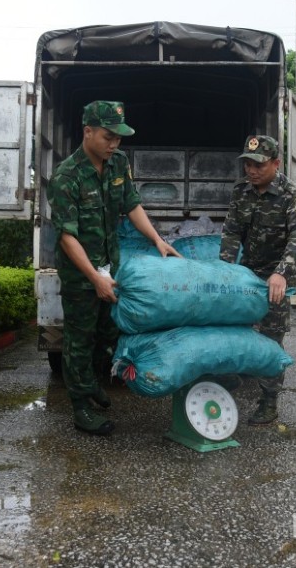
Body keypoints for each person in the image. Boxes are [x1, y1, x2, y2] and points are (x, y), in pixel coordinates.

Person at [48, 100, 180, 435]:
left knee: (108, 332)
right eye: (108, 137)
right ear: (87, 131)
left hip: (111, 265)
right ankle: (80, 405)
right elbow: (66, 236)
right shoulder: (67, 176)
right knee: (79, 338)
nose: (114, 144)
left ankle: (91, 382)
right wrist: (94, 278)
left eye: (119, 138)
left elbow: (131, 204)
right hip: (81, 273)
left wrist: (157, 239)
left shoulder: (118, 163)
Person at [220, 135, 296, 425]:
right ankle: (233, 376)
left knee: (271, 339)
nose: (251, 170)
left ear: (276, 163)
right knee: (235, 329)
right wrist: (224, 269)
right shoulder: (241, 191)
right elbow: (232, 232)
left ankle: (269, 401)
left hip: (278, 275)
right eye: (247, 164)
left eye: (258, 164)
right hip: (247, 273)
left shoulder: (292, 194)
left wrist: (281, 273)